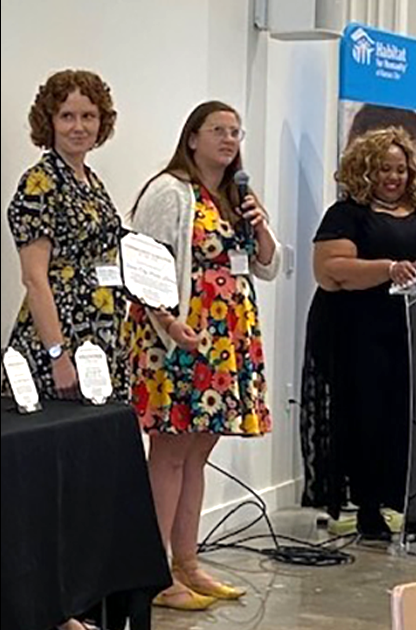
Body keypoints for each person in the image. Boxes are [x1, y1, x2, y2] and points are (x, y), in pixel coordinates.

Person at [122, 101, 281, 611]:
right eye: (218, 130)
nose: (229, 139)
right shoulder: (170, 191)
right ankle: (150, 571)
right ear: (192, 138)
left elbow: (268, 266)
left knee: (197, 453)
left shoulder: (237, 196)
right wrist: (169, 323)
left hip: (225, 341)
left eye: (236, 131)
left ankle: (186, 563)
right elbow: (140, 266)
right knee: (169, 454)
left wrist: (259, 226)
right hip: (176, 337)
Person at [301, 127, 416, 541]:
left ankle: (414, 505)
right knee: (366, 416)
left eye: (401, 169)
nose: (394, 177)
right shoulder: (346, 215)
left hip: (415, 332)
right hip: (357, 329)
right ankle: (368, 508)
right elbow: (330, 270)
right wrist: (386, 269)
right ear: (365, 170)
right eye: (384, 168)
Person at [3, 70, 127, 412]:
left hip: (102, 333)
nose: (79, 127)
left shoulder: (92, 182)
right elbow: (34, 278)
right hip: (60, 341)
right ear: (50, 122)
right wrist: (57, 354)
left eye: (88, 116)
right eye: (67, 116)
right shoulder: (39, 184)